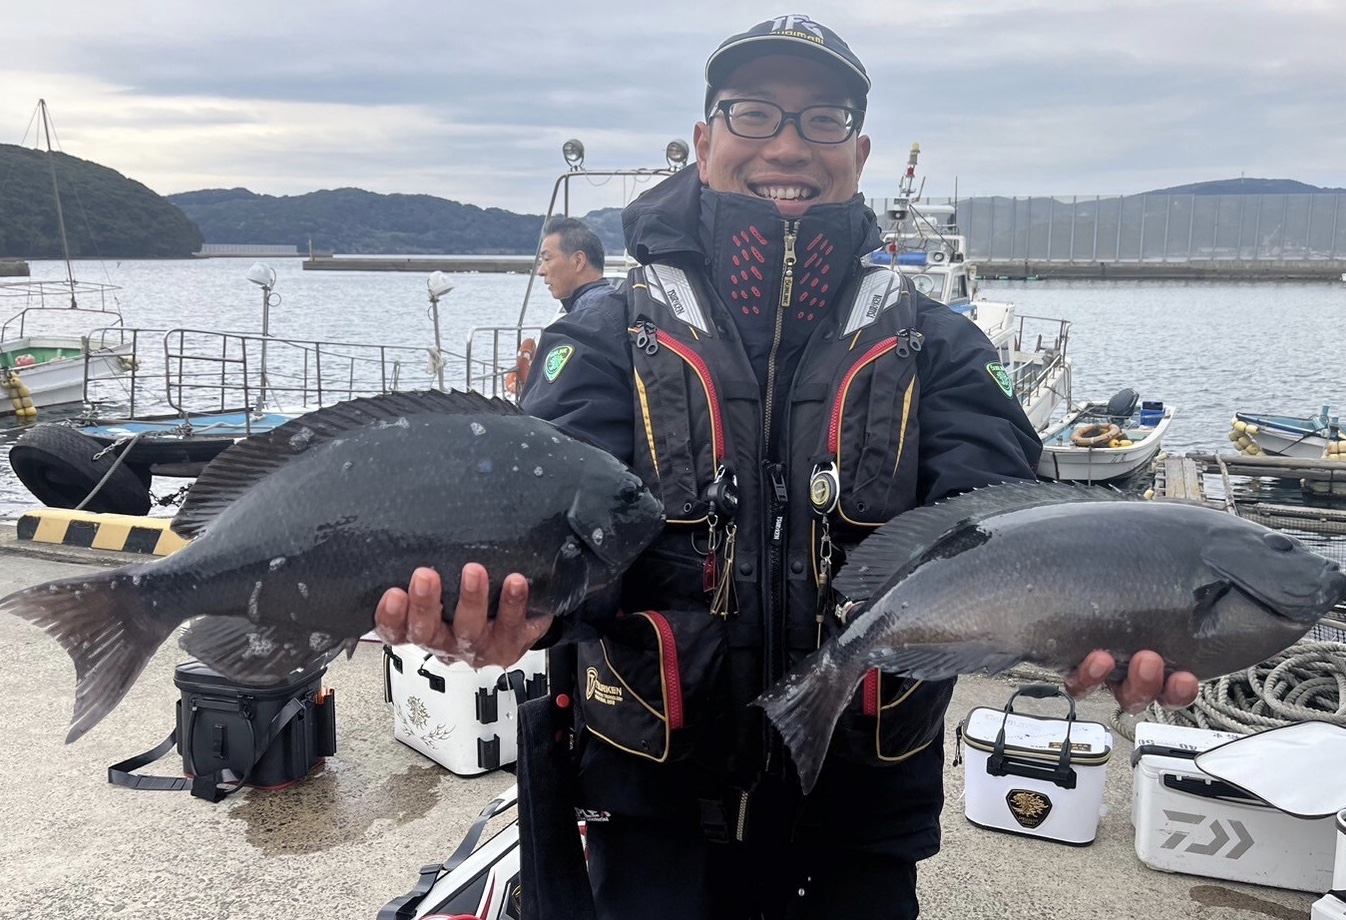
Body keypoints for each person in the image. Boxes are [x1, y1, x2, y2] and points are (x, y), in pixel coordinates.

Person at [375, 14, 1200, 919]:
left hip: (859, 824)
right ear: (704, 141)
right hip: (653, 816)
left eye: (823, 119)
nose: (789, 146)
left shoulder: (943, 349)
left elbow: (1004, 531)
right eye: (755, 113)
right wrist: (517, 614)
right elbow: (549, 530)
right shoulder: (606, 335)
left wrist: (1094, 619)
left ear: (859, 152)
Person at [538, 216, 615, 313]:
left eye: (547, 259)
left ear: (578, 261)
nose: (540, 271)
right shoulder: (616, 304)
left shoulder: (588, 316)